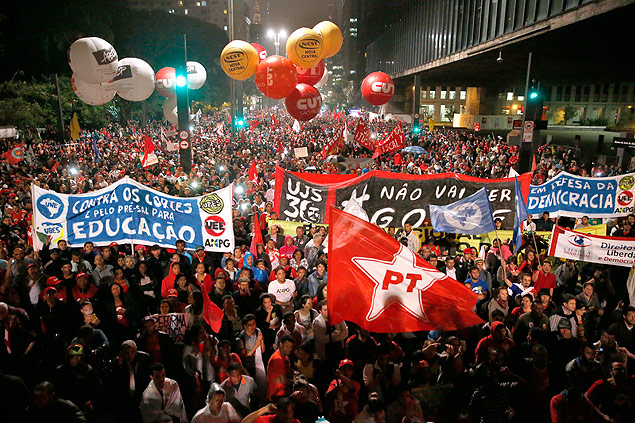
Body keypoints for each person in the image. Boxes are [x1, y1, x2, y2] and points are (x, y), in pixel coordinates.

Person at [325, 359, 361, 423]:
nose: (346, 372)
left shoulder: (356, 384)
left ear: (352, 372)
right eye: (344, 370)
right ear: (340, 371)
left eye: (349, 370)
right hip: (335, 419)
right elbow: (327, 396)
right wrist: (337, 388)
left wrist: (340, 376)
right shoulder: (334, 383)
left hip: (350, 419)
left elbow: (352, 388)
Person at [266, 335, 294, 402]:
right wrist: (294, 381)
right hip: (277, 395)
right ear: (281, 344)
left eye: (291, 347)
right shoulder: (277, 359)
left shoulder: (285, 357)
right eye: (286, 346)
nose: (289, 349)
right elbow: (283, 380)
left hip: (283, 393)